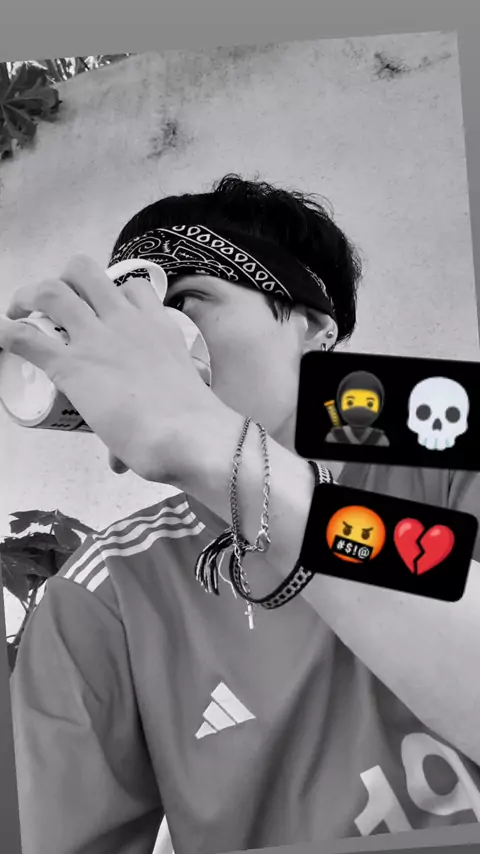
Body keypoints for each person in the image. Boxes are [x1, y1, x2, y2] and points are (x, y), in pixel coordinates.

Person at [3, 175, 480, 854]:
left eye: (185, 300)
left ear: (312, 324)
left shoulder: (449, 452)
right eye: (132, 316)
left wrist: (219, 450)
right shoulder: (107, 592)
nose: (156, 344)